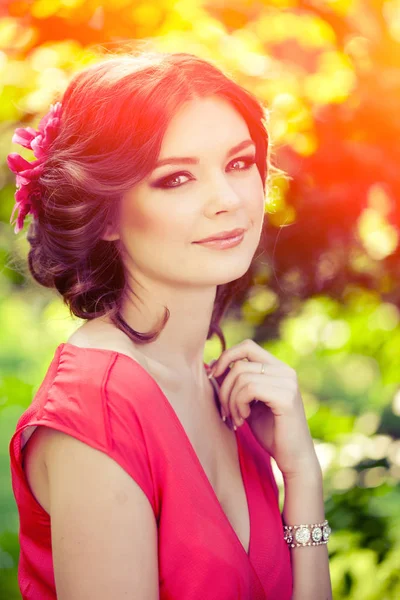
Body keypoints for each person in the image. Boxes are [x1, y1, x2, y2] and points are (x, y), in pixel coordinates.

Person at [7, 50, 332, 599]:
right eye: (176, 178)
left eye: (238, 163)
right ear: (104, 213)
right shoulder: (99, 410)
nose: (227, 201)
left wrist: (301, 476)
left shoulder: (218, 389)